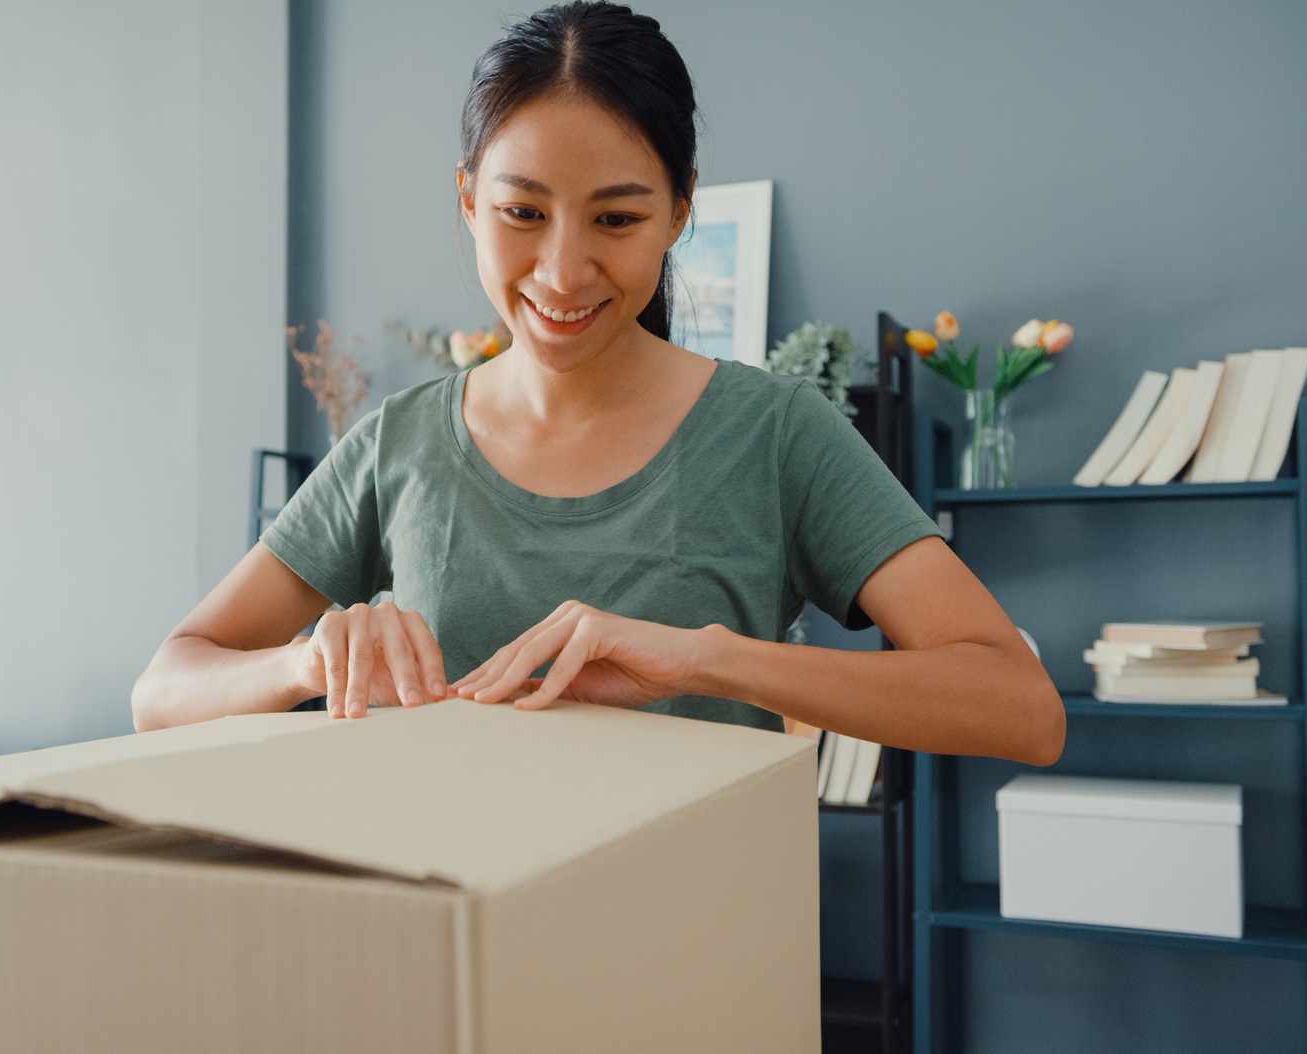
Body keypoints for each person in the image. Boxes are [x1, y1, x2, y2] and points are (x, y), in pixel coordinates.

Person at [131, 1, 1063, 767]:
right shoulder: (398, 441)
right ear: (467, 200)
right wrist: (305, 662)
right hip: (450, 963)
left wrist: (713, 662)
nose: (563, 271)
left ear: (680, 210)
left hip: (690, 966)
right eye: (520, 213)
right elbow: (164, 689)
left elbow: (1019, 707)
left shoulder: (776, 432)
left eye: (615, 219)